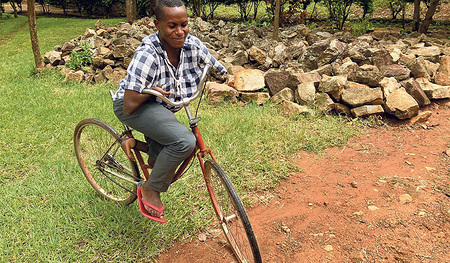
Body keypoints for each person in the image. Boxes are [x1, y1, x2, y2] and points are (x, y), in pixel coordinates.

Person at [112, 0, 226, 223]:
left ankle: (136, 145)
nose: (180, 31)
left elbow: (215, 65)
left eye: (184, 24)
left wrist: (225, 76)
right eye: (172, 25)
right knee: (184, 141)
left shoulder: (191, 43)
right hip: (133, 104)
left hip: (161, 104)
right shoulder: (147, 54)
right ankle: (150, 189)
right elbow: (128, 104)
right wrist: (151, 92)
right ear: (157, 24)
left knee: (167, 151)